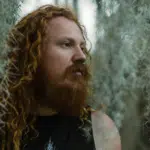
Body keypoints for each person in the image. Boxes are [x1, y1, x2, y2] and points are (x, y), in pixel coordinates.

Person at [0, 4, 121, 150]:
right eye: (67, 44)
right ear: (31, 56)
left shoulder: (99, 129)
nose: (81, 56)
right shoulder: (4, 127)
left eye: (82, 47)